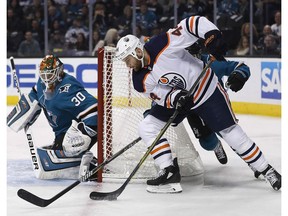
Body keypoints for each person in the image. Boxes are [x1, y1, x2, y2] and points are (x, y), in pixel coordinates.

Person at [114, 15, 281, 193]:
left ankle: (265, 169)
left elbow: (190, 24)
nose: (128, 65)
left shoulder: (162, 44)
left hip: (206, 90)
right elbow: (160, 95)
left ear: (137, 52)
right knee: (147, 126)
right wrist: (176, 97)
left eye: (127, 60)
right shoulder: (139, 80)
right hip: (182, 100)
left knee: (230, 132)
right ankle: (169, 169)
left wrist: (212, 35)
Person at [7, 54, 98, 180]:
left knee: (69, 147)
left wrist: (86, 133)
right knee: (55, 154)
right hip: (62, 132)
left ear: (59, 72)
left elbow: (94, 109)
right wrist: (25, 108)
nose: (46, 78)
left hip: (81, 127)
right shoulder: (42, 84)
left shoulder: (68, 88)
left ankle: (93, 167)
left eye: (49, 74)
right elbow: (35, 94)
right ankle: (80, 159)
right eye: (43, 75)